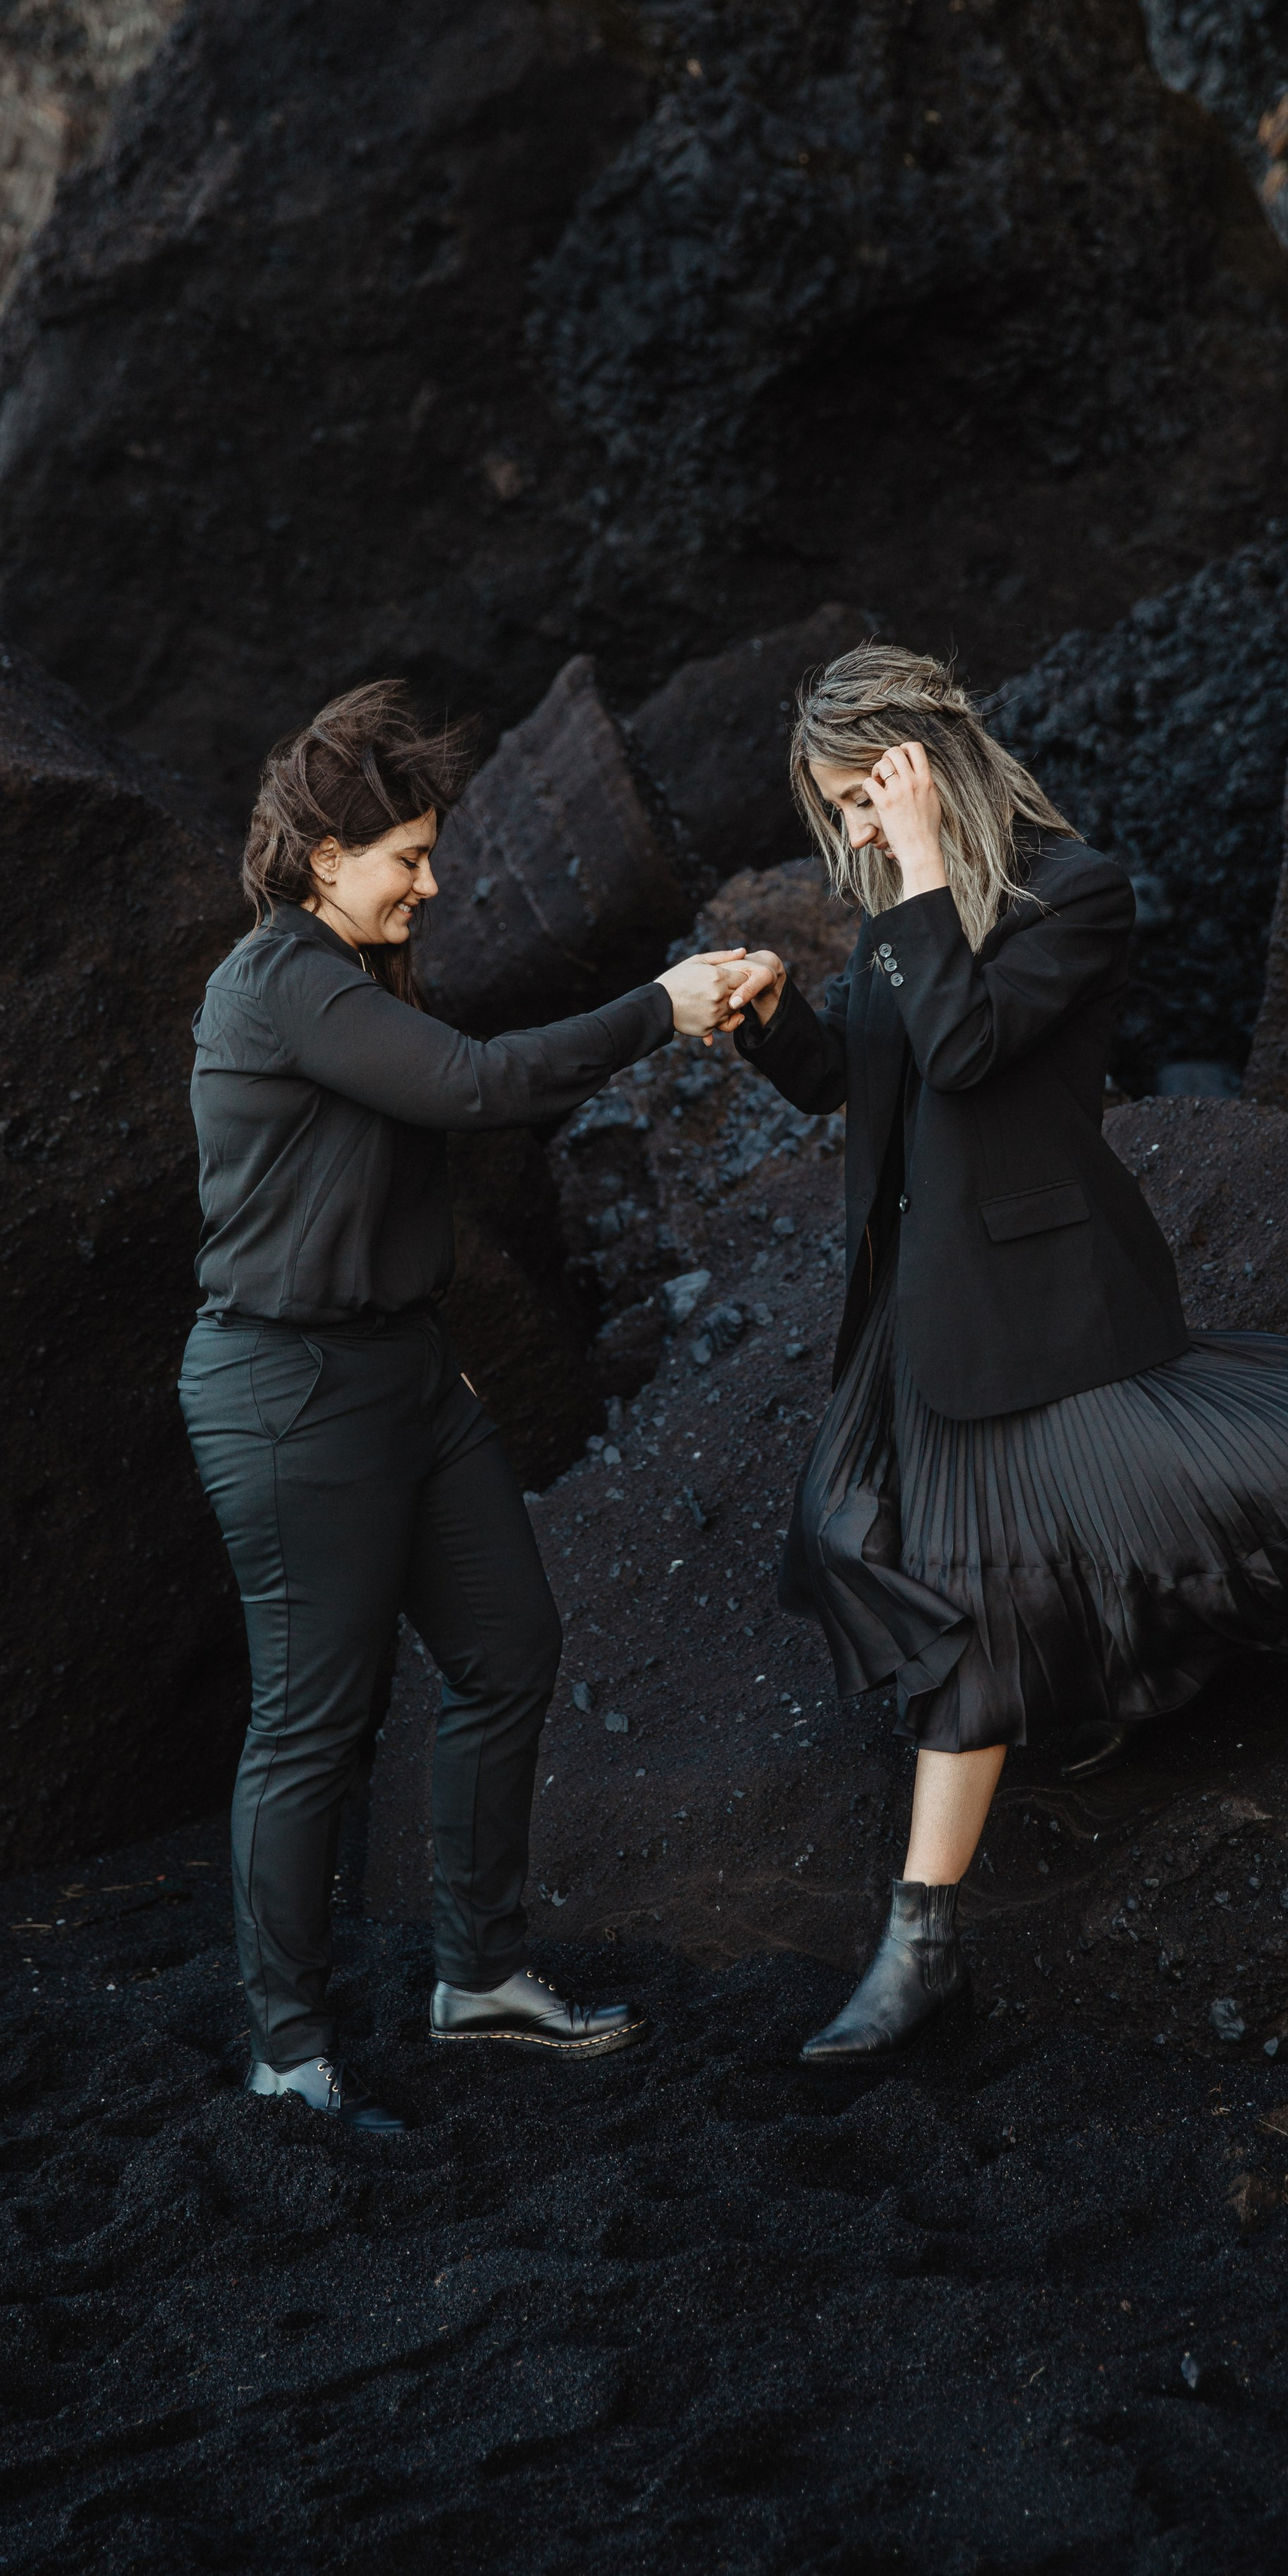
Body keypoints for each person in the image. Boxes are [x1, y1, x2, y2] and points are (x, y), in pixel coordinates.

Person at [731, 643, 1288, 2065]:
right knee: (851, 1533)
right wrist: (772, 1024)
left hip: (1037, 1302)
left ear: (930, 763)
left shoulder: (1077, 891)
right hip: (915, 1320)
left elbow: (973, 1049)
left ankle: (919, 1950)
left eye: (869, 800)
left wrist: (925, 868)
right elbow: (864, 1083)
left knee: (975, 1607)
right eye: (841, 816)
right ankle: (1120, 1684)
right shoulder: (889, 917)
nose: (859, 837)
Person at [179, 681, 769, 2136]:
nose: (431, 884)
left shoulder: (358, 976)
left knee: (507, 1647)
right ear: (325, 859)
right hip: (283, 1389)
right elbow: (477, 1088)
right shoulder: (280, 980)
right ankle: (288, 2055)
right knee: (312, 1724)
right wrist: (660, 1009)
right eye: (407, 858)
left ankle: (479, 1979)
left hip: (401, 1374)